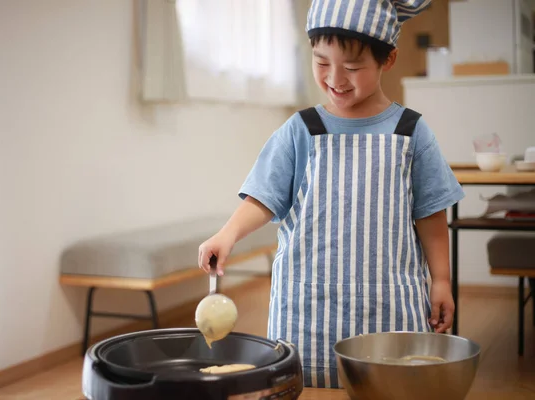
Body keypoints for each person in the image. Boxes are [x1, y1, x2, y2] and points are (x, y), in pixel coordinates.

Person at [198, 0, 464, 389]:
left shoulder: (411, 132)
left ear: (388, 59)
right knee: (301, 386)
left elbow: (430, 213)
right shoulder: (300, 129)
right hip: (307, 307)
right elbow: (263, 196)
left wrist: (441, 279)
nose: (335, 78)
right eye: (322, 63)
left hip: (389, 304)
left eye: (353, 67)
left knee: (386, 387)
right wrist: (227, 234)